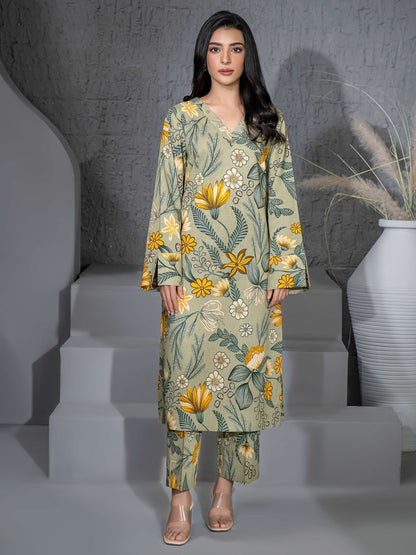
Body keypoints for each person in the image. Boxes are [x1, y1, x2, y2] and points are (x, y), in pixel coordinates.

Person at [140, 10, 310, 546]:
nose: (226, 59)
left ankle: (223, 491)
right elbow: (166, 196)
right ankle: (180, 498)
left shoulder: (268, 122)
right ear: (203, 57)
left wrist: (283, 266)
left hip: (251, 279)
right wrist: (166, 266)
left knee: (241, 385)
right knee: (185, 387)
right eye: (215, 49)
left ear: (247, 56)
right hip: (193, 275)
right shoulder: (182, 118)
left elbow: (281, 199)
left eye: (235, 49)